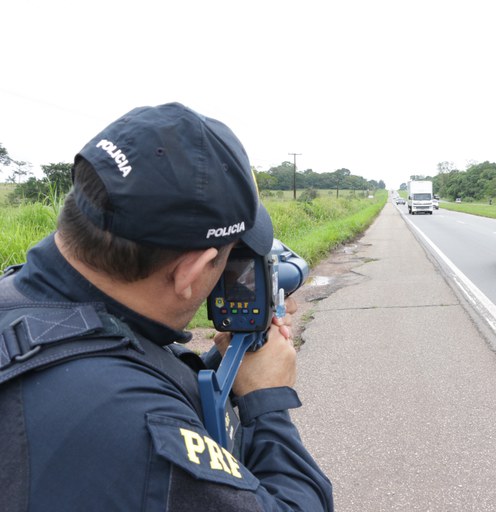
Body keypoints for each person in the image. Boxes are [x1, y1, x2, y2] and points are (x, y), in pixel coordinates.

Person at [0, 103, 333, 511]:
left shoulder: (24, 307)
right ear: (189, 271)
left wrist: (225, 361)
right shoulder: (140, 428)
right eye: (229, 257)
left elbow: (129, 361)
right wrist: (268, 399)